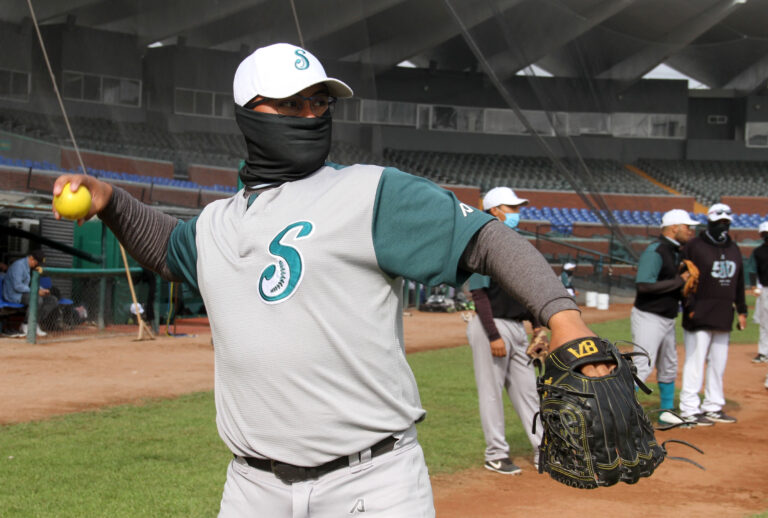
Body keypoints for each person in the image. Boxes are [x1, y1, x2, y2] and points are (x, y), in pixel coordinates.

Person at [52, 43, 605, 517]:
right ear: (249, 114)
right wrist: (110, 201)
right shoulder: (217, 223)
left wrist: (564, 316)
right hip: (252, 489)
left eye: (319, 102)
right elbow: (167, 250)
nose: (310, 114)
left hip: (370, 486)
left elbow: (488, 238)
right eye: (291, 103)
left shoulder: (372, 193)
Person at [465, 187, 542, 475]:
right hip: (491, 325)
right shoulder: (484, 242)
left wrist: (538, 329)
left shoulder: (517, 243)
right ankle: (495, 454)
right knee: (491, 393)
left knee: (528, 391)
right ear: (495, 211)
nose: (516, 213)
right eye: (511, 208)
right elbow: (479, 294)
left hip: (517, 327)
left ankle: (543, 448)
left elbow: (529, 292)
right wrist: (493, 335)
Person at [679, 203, 747, 426]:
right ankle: (689, 408)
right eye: (719, 223)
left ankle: (713, 406)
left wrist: (742, 310)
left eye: (726, 223)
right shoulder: (694, 246)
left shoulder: (734, 247)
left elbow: (739, 281)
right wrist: (688, 306)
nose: (723, 227)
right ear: (709, 222)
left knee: (718, 363)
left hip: (723, 313)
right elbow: (683, 279)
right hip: (698, 311)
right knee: (695, 361)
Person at [630, 209, 699, 426]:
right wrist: (681, 280)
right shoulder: (656, 251)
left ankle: (666, 412)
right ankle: (623, 412)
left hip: (668, 316)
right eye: (688, 227)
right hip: (649, 316)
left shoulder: (677, 250)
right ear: (674, 228)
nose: (691, 231)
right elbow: (644, 285)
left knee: (669, 365)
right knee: (642, 364)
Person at [2, 249, 57, 337]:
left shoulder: (28, 266)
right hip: (13, 295)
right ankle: (26, 324)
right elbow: (18, 286)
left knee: (52, 300)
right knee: (37, 299)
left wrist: (42, 290)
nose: (37, 265)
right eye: (36, 262)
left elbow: (31, 284)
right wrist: (36, 291)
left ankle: (34, 323)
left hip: (23, 293)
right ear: (31, 258)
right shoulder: (19, 265)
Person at [749, 221, 768, 364]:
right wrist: (754, 286)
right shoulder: (758, 252)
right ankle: (763, 352)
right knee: (764, 322)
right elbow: (752, 270)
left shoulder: (758, 252)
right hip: (765, 289)